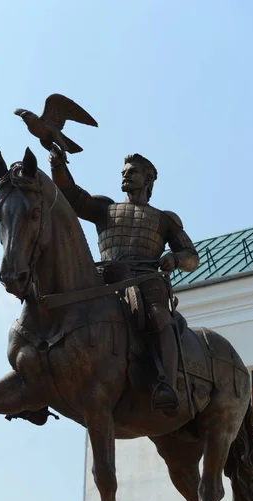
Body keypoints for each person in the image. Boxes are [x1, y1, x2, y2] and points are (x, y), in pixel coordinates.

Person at [49, 146, 199, 410]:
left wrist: (174, 259)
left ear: (148, 179)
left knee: (159, 317)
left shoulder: (164, 219)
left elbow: (191, 256)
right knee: (59, 304)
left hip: (145, 280)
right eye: (123, 172)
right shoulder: (104, 208)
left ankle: (166, 384)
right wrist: (59, 166)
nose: (125, 176)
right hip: (103, 276)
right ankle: (42, 373)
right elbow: (72, 196)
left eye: (132, 172)